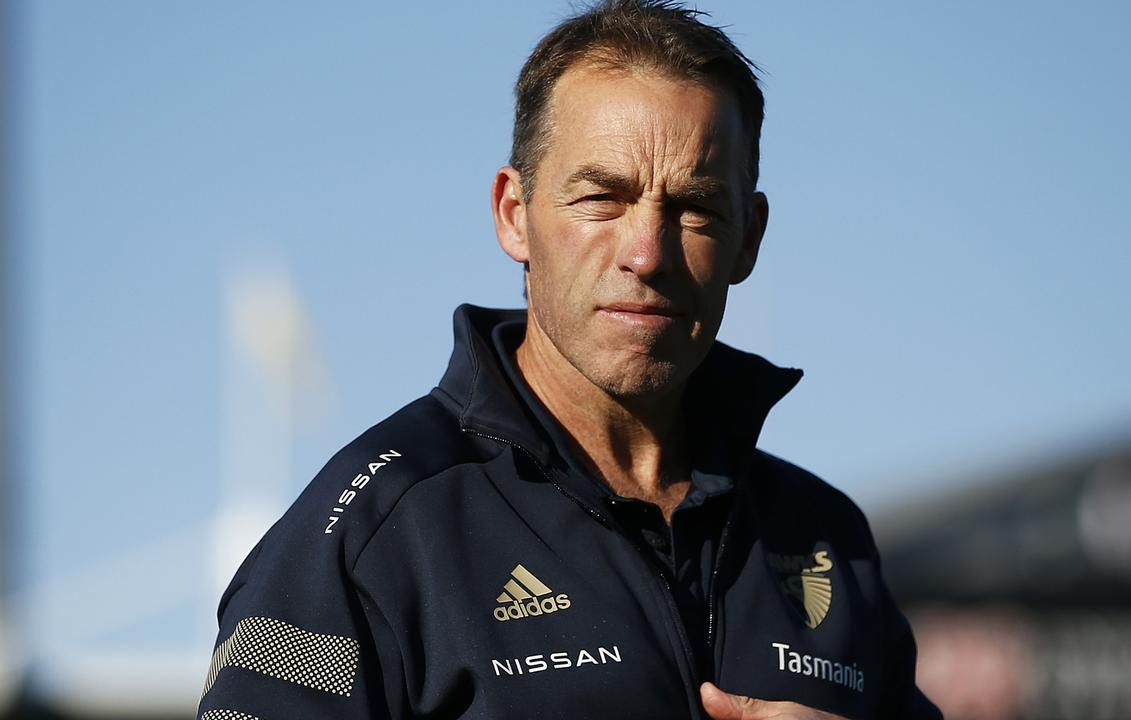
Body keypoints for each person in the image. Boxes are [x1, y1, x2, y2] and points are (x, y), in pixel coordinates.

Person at [198, 2, 941, 718]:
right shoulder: (368, 538)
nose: (647, 253)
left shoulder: (825, 537)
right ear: (514, 216)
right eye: (602, 199)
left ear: (749, 236)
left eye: (697, 209)